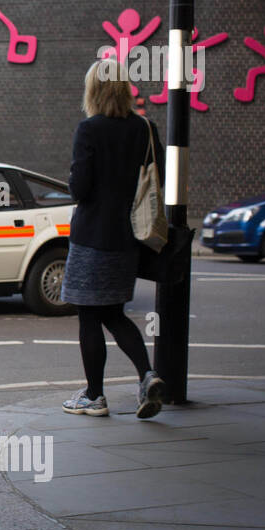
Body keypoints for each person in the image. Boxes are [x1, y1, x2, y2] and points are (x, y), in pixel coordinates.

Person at [61, 59, 170, 420]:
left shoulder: (88, 129)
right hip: (129, 238)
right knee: (114, 313)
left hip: (92, 237)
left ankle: (95, 396)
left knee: (89, 316)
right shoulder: (145, 128)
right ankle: (148, 375)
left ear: (93, 91)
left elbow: (80, 189)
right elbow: (159, 180)